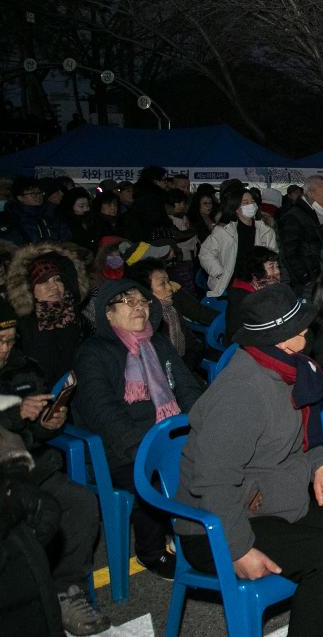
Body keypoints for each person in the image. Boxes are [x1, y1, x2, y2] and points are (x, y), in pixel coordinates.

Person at [175, 286, 323, 636]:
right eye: (301, 330)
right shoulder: (242, 392)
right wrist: (237, 549)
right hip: (220, 523)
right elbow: (212, 481)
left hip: (275, 499)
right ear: (281, 340)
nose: (308, 334)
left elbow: (305, 438)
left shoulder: (291, 371)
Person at [72, 278, 204, 580]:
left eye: (142, 301)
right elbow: (103, 414)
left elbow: (186, 387)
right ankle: (151, 551)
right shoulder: (93, 353)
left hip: (167, 435)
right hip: (120, 448)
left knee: (215, 457)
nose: (138, 307)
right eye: (127, 301)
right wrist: (147, 448)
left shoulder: (157, 342)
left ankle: (201, 538)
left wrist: (202, 427)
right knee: (156, 475)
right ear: (107, 313)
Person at [0, 300, 111, 635]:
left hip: (31, 471)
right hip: (4, 487)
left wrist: (49, 423)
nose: (3, 349)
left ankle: (65, 591)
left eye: (7, 340)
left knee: (79, 501)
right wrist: (14, 414)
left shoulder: (22, 369)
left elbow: (36, 433)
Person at [5, 245, 89, 380]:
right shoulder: (20, 328)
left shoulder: (77, 318)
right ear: (30, 290)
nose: (54, 286)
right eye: (43, 281)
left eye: (57, 279)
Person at [199, 188, 279, 297]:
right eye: (245, 203)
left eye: (252, 202)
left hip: (258, 284)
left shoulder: (266, 232)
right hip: (230, 285)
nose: (250, 205)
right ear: (235, 208)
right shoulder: (224, 231)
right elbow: (205, 253)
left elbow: (272, 259)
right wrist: (219, 272)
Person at [278, 175, 323, 295]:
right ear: (310, 193)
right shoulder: (293, 217)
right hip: (307, 284)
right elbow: (289, 253)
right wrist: (306, 279)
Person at [223, 247, 283, 342]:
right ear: (255, 273)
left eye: (277, 266)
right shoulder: (243, 300)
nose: (277, 271)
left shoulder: (260, 288)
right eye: (271, 267)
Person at [0, 177, 70, 245]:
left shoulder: (51, 213)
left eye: (40, 193)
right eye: (33, 194)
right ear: (20, 198)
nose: (38, 196)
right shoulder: (12, 218)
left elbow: (65, 235)